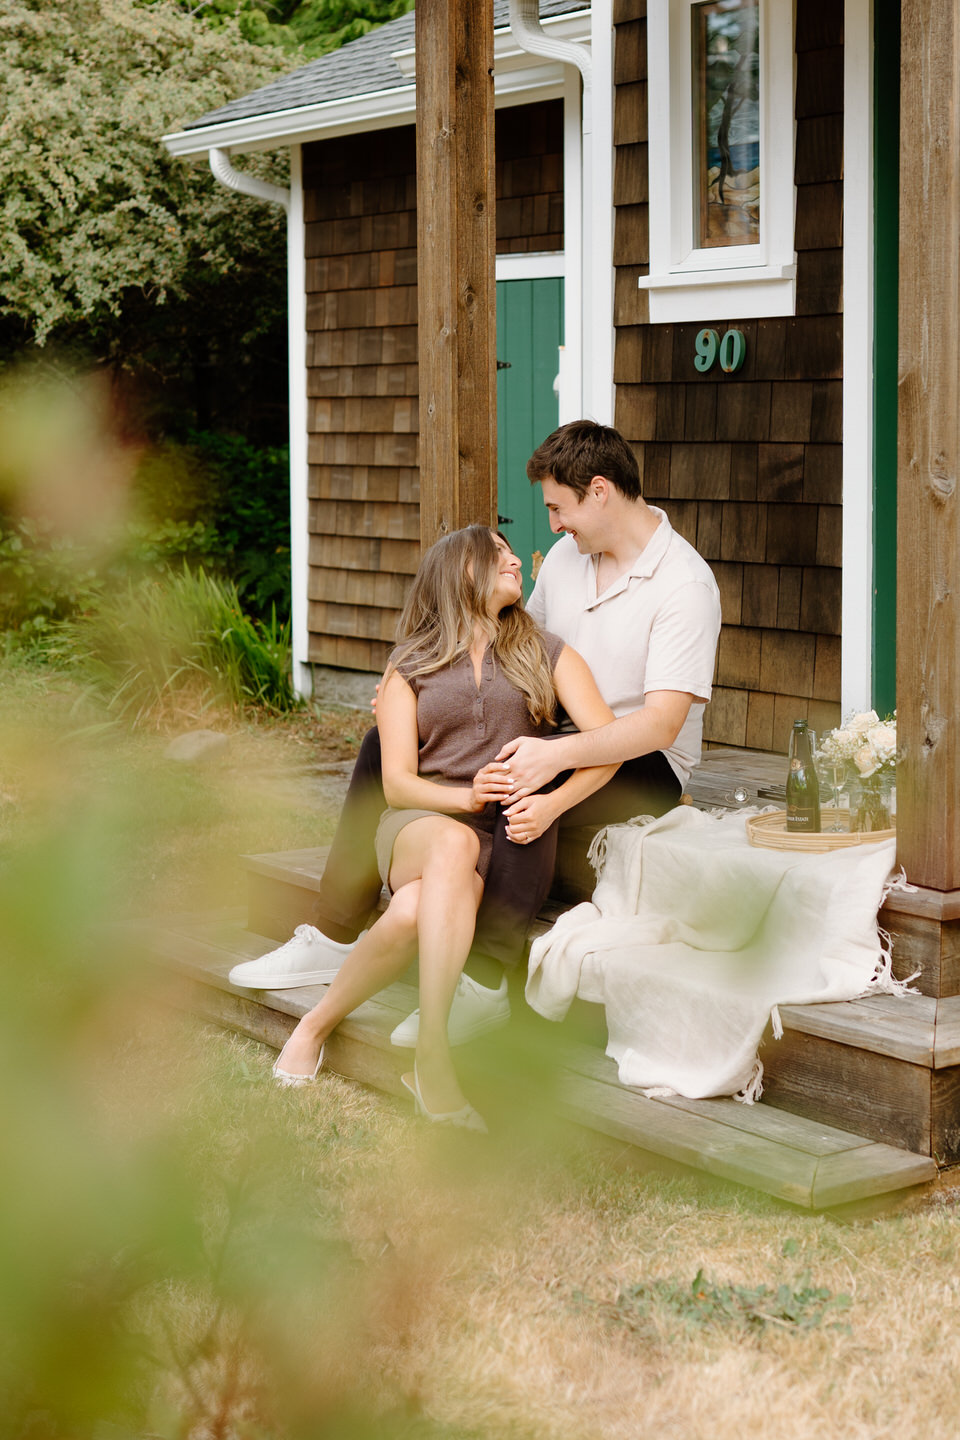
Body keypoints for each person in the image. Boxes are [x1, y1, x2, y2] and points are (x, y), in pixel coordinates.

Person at [231, 420, 721, 1043]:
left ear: (599, 491)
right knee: (388, 743)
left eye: (557, 508)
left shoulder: (683, 583)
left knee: (527, 768)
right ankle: (332, 932)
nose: (552, 528)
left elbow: (662, 723)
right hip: (558, 725)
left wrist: (555, 757)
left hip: (643, 760)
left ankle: (484, 980)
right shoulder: (571, 559)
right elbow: (522, 646)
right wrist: (412, 693)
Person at [267, 525, 615, 1129]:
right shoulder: (411, 665)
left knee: (408, 913)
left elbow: (607, 746)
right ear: (461, 571)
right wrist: (464, 795)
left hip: (496, 845)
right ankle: (434, 1057)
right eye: (498, 553)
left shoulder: (549, 653)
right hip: (418, 825)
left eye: (513, 553)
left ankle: (315, 1022)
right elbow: (397, 782)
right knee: (451, 840)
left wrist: (556, 802)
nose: (514, 560)